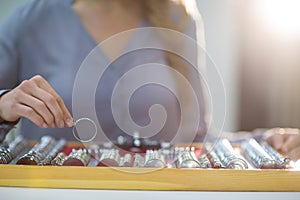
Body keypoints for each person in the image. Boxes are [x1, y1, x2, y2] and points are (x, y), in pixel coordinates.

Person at [0, 0, 299, 160]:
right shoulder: (30, 20)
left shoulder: (178, 19)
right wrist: (3, 105)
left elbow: (196, 137)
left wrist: (264, 143)